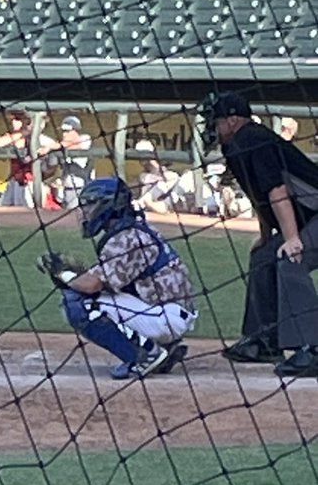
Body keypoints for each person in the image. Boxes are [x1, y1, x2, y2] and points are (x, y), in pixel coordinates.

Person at [203, 91, 318, 377]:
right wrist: (267, 235)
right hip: (308, 220)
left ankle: (312, 348)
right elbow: (260, 195)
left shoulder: (253, 139)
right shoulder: (235, 146)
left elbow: (278, 190)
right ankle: (265, 340)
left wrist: (292, 240)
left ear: (232, 121)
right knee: (266, 256)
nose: (211, 127)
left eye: (215, 121)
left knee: (289, 259)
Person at [37, 177, 197, 380]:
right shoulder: (132, 231)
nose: (85, 212)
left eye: (91, 204)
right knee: (89, 295)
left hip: (165, 317)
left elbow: (92, 285)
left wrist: (62, 273)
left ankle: (144, 354)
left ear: (108, 205)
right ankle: (163, 348)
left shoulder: (126, 238)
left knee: (79, 304)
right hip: (167, 312)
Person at [41, 115, 92, 209]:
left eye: (67, 131)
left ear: (75, 130)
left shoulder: (85, 138)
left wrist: (51, 146)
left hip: (82, 188)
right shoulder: (61, 147)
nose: (64, 134)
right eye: (63, 131)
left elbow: (74, 145)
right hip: (67, 189)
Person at [0, 110, 35, 207]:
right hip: (14, 180)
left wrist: (26, 133)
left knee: (25, 212)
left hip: (28, 182)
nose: (14, 122)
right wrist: (21, 133)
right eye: (13, 119)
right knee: (3, 207)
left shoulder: (33, 137)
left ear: (26, 121)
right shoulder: (13, 135)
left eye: (18, 119)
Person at [133, 139, 181, 214]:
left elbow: (171, 177)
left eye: (143, 155)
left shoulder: (164, 172)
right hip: (147, 207)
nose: (140, 158)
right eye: (139, 156)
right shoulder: (143, 175)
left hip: (166, 203)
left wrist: (152, 161)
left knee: (166, 180)